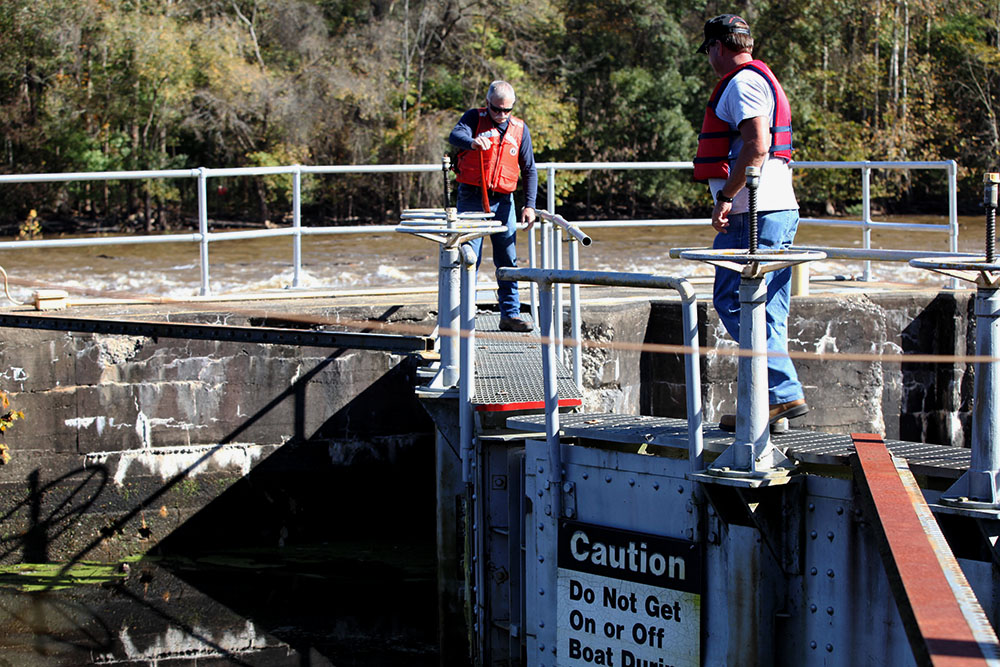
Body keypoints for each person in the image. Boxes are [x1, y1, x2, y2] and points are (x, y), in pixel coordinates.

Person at [693, 14, 808, 431]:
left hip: (752, 214)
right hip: (777, 209)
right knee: (767, 312)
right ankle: (766, 409)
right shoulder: (759, 79)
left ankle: (781, 393)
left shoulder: (741, 83)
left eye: (708, 51)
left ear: (718, 48)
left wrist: (725, 197)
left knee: (731, 298)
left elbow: (757, 145)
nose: (709, 59)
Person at [449, 80, 537, 333]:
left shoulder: (520, 130)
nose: (500, 115)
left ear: (512, 108)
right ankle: (462, 317)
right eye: (496, 109)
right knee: (468, 256)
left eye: (506, 110)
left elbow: (529, 169)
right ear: (487, 104)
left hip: (503, 201)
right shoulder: (474, 118)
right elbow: (456, 134)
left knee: (508, 258)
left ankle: (510, 314)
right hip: (472, 197)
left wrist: (529, 205)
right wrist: (472, 142)